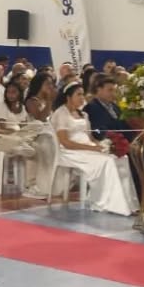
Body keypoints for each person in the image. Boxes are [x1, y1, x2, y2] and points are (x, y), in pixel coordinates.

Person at [50, 84, 134, 216]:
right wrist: (91, 148)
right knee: (106, 161)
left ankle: (128, 202)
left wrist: (103, 146)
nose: (82, 97)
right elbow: (65, 142)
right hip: (70, 151)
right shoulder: (61, 113)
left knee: (121, 157)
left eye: (83, 94)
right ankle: (108, 203)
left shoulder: (83, 114)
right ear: (68, 97)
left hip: (87, 147)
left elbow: (90, 137)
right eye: (78, 94)